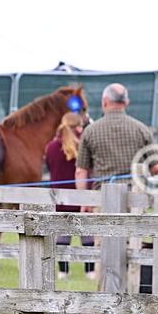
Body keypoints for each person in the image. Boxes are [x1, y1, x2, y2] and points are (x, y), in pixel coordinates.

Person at [75, 83, 158, 199]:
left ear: (105, 101)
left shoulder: (90, 131)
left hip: (102, 198)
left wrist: (84, 201)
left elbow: (81, 171)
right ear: (126, 102)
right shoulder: (142, 129)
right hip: (135, 198)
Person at [43, 112, 95, 279]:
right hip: (82, 197)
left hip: (59, 199)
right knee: (87, 235)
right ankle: (90, 272)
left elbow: (50, 169)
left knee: (63, 235)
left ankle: (63, 272)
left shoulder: (51, 147)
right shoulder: (84, 145)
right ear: (79, 126)